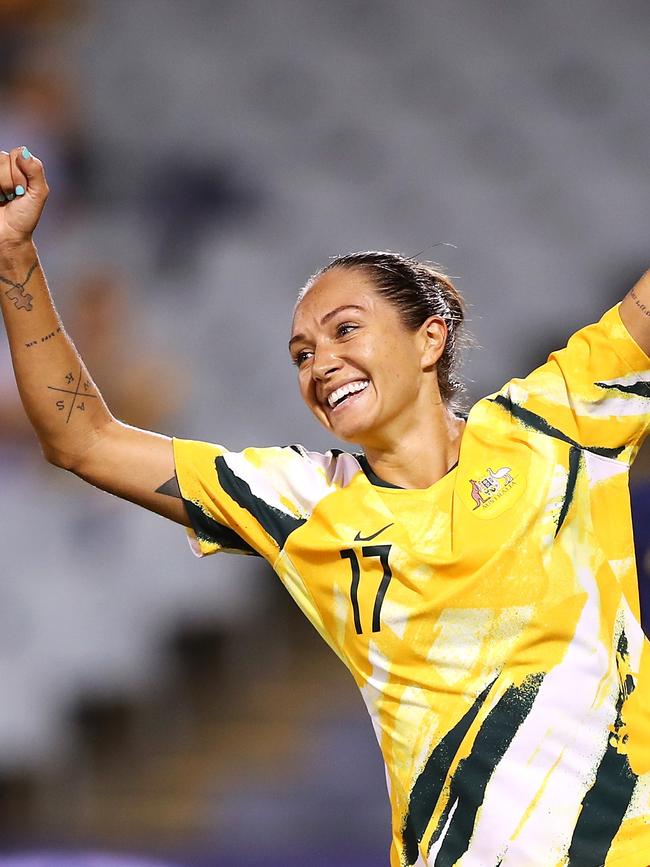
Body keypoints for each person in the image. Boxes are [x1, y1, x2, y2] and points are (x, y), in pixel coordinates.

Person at [1, 146, 649, 867]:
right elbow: (82, 440)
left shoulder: (553, 421)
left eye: (345, 330)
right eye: (301, 354)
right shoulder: (301, 499)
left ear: (429, 337)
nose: (320, 364)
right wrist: (14, 254)